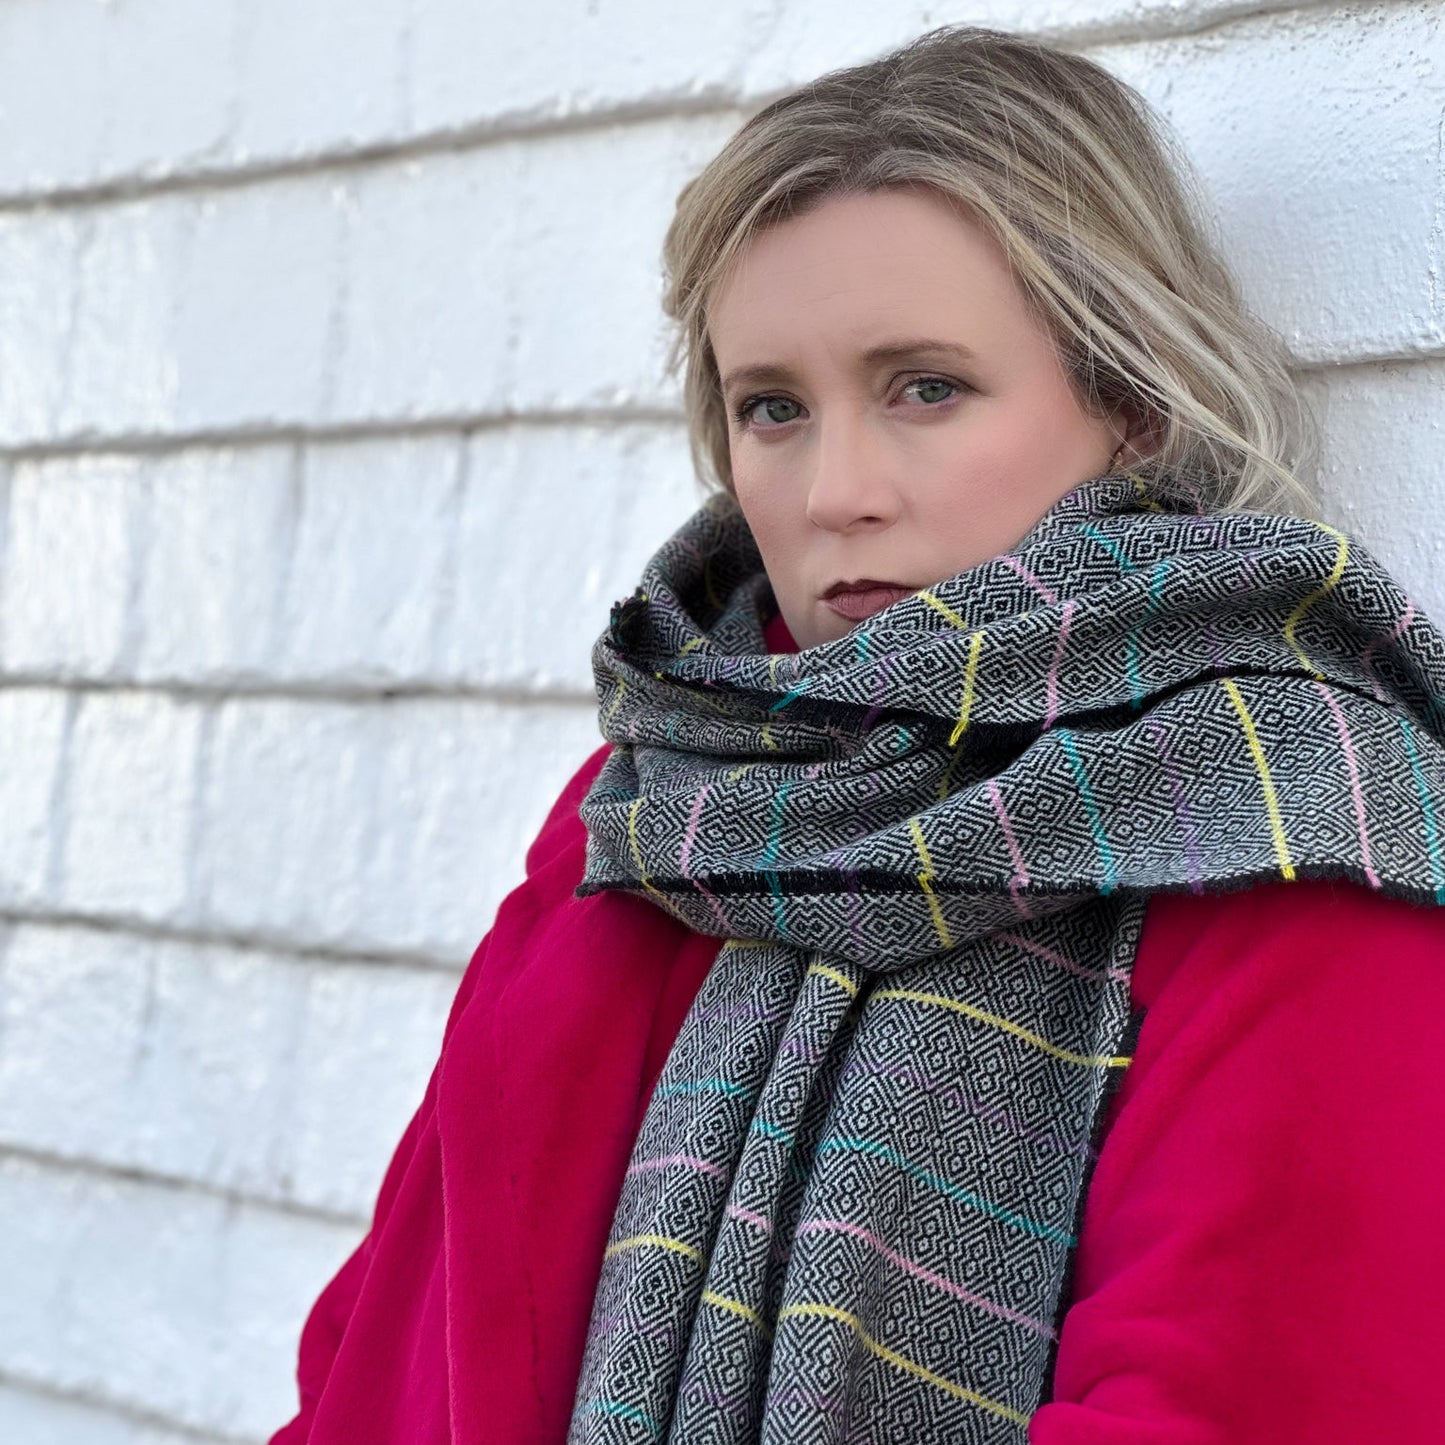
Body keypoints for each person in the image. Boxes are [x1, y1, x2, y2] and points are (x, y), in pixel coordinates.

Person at [269, 24, 1445, 1444]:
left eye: (924, 386)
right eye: (772, 406)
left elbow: (1264, 1399)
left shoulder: (1281, 818)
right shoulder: (662, 792)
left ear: (1128, 403)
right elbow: (388, 1329)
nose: (835, 489)